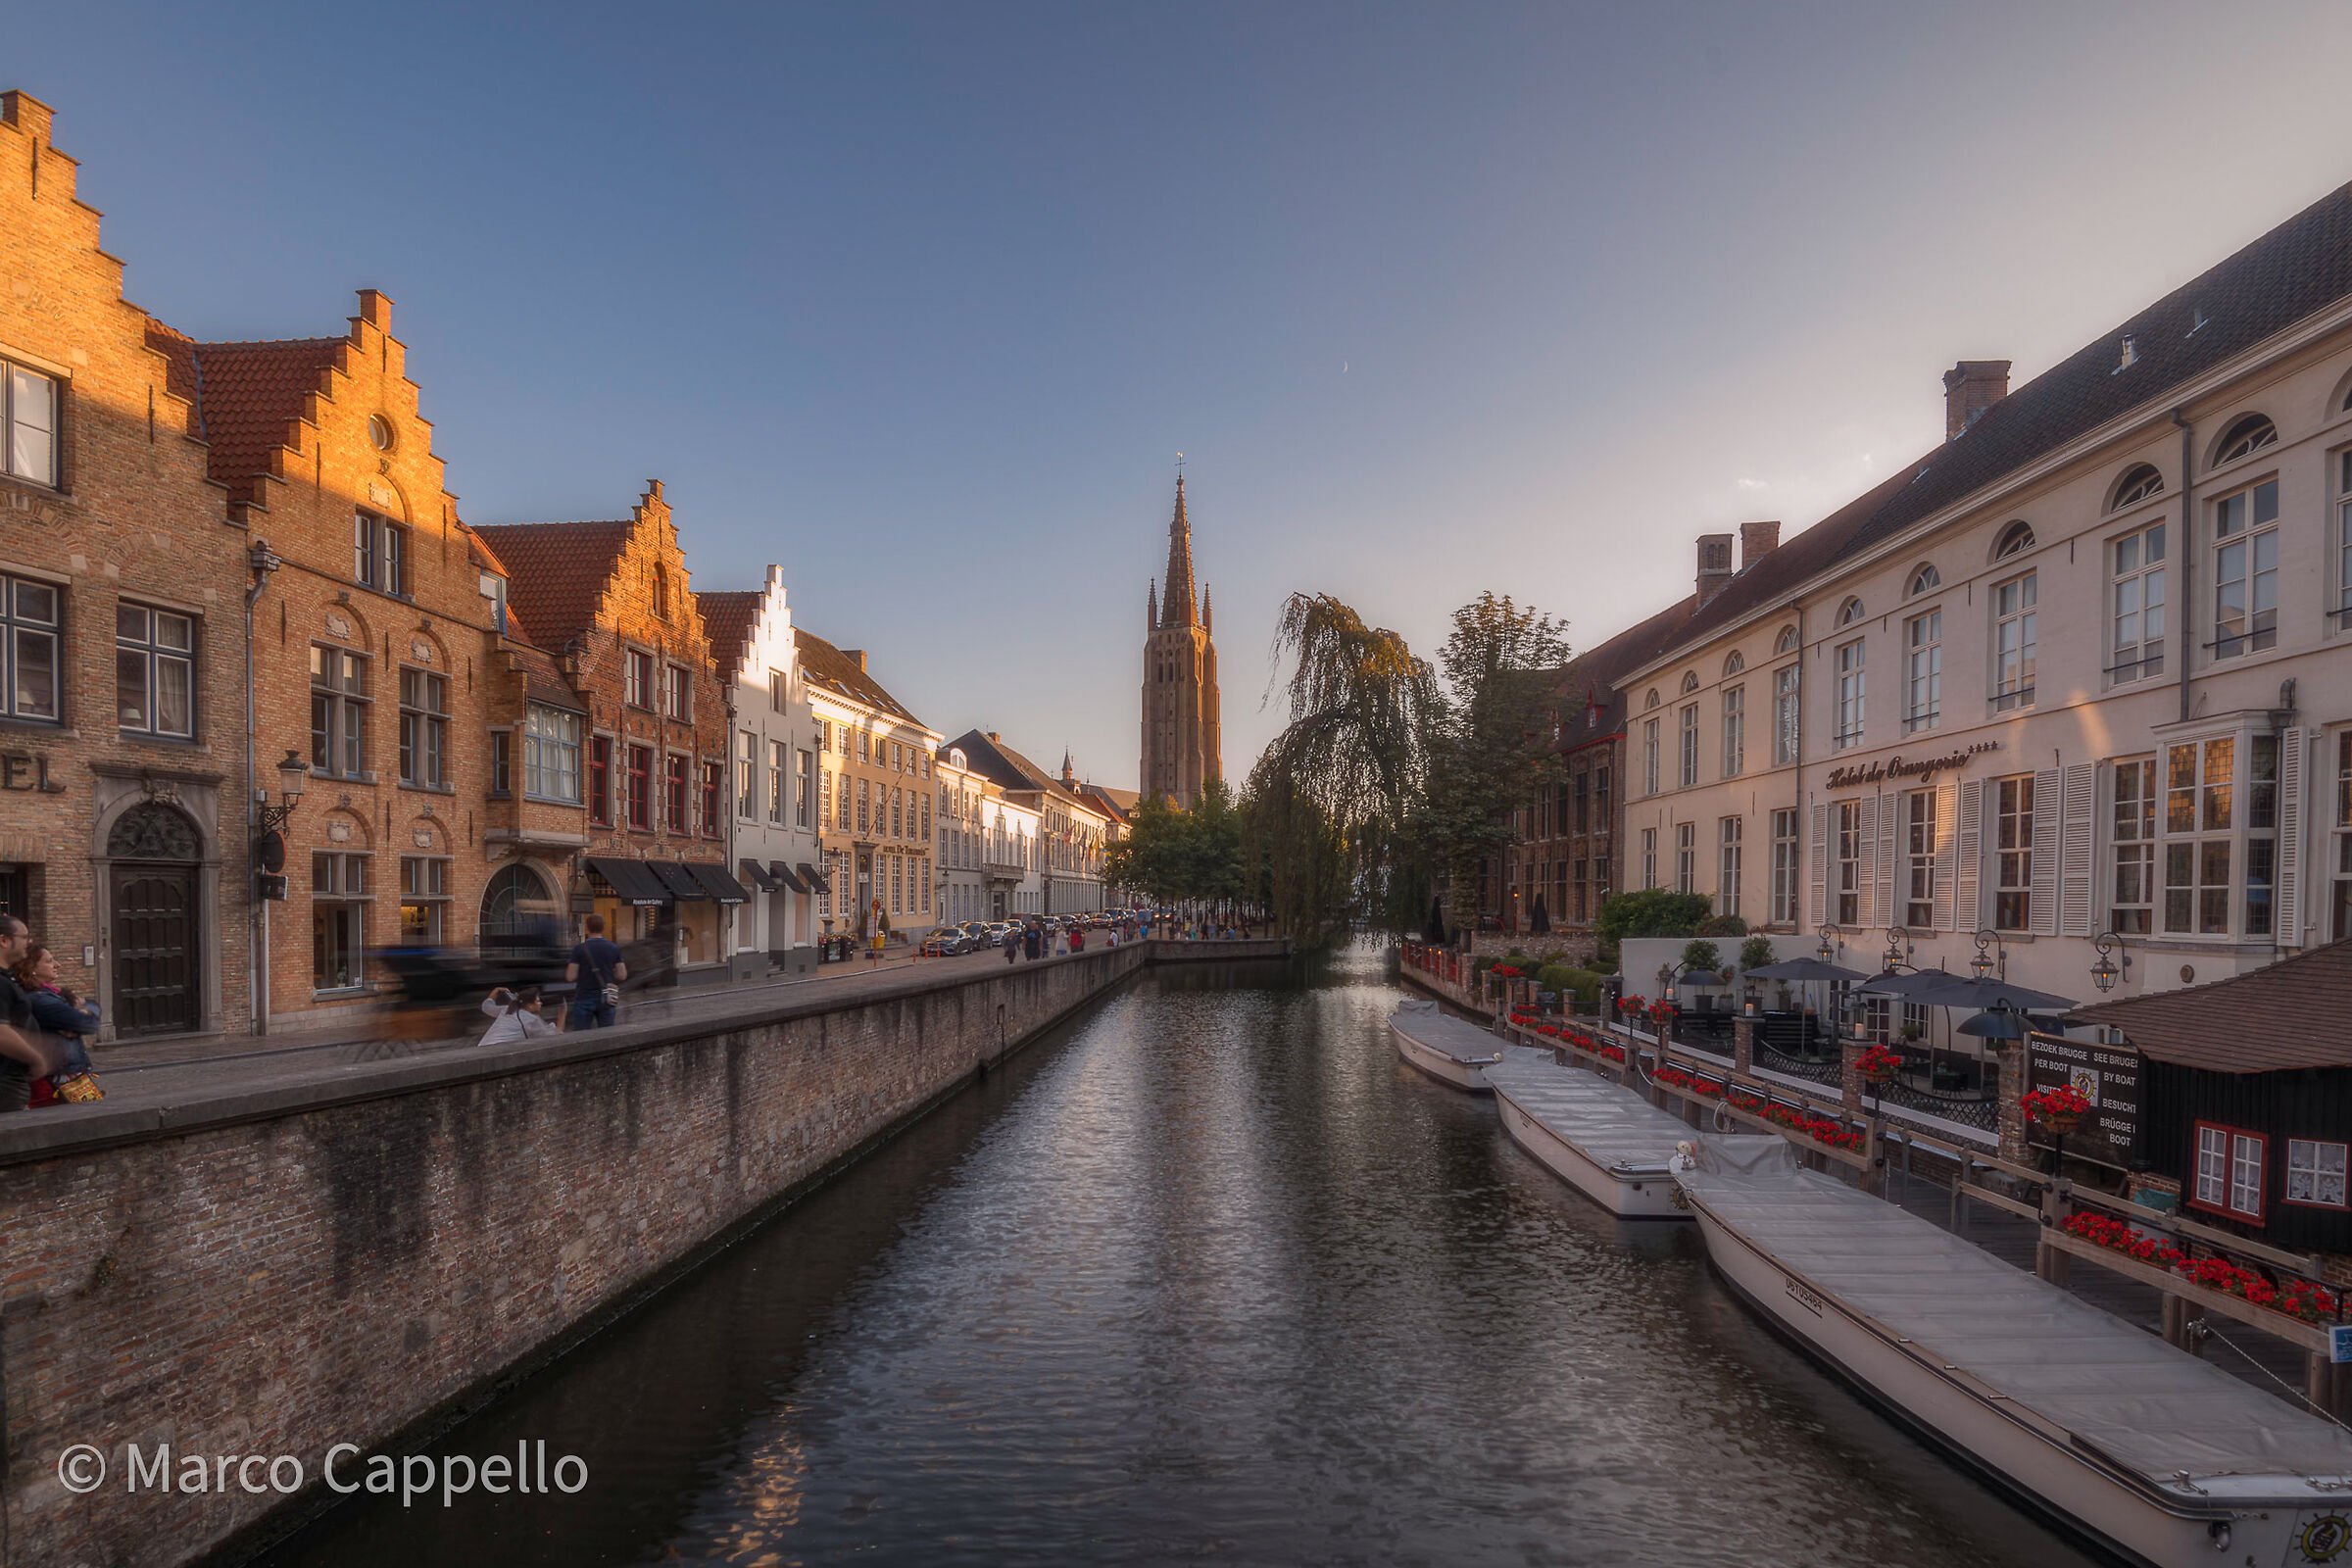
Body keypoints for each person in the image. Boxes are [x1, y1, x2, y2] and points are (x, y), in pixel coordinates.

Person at [14, 944, 102, 1101]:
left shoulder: (53, 994)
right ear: (32, 969)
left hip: (68, 1077)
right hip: (54, 1081)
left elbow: (92, 1006)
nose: (57, 965)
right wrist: (83, 1013)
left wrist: (85, 1010)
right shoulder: (39, 999)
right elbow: (87, 1024)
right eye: (49, 961)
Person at [0, 915, 59, 1112]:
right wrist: (36, 1058)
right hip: (5, 1079)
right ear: (4, 940)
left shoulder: (7, 979)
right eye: (24, 937)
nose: (30, 942)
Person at [564, 914, 628, 1030]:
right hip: (607, 996)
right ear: (603, 927)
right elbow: (622, 975)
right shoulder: (614, 948)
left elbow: (570, 976)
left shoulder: (579, 949)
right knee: (606, 1034)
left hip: (584, 995)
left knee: (581, 1035)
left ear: (587, 928)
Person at [478, 985, 558, 1046]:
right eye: (537, 1001)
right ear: (530, 1005)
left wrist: (495, 991)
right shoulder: (531, 1019)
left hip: (482, 1047)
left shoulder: (506, 1009)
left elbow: (486, 1007)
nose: (540, 1003)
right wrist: (562, 1014)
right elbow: (553, 1037)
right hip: (498, 1054)